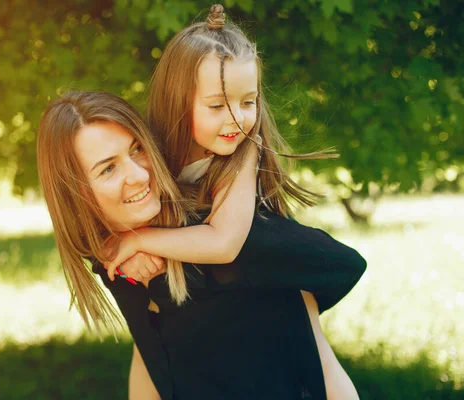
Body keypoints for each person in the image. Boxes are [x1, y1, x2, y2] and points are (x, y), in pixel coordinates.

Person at [37, 90, 366, 399]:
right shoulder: (113, 259)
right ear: (76, 194)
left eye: (137, 148)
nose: (138, 174)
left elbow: (340, 267)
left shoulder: (222, 234)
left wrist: (248, 149)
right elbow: (149, 351)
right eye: (108, 168)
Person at [103, 5, 361, 399]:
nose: (238, 120)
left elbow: (224, 243)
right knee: (151, 333)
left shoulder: (242, 155)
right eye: (217, 105)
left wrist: (139, 240)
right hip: (199, 328)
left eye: (248, 101)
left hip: (267, 277)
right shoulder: (150, 160)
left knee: (309, 349)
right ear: (177, 100)